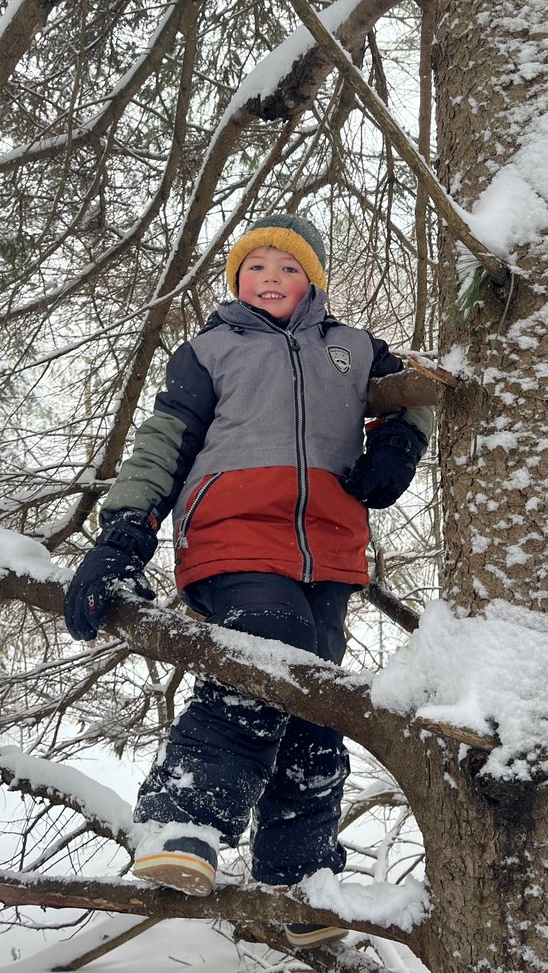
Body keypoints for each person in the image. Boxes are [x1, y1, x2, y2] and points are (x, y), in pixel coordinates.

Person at [63, 214, 432, 949]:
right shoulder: (208, 350)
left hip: (327, 550)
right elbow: (163, 439)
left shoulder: (353, 348)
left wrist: (396, 446)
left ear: (312, 282)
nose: (269, 277)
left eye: (287, 268)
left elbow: (419, 391)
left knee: (317, 700)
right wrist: (124, 532)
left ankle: (298, 882)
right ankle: (184, 821)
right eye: (254, 266)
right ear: (236, 282)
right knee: (268, 648)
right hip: (230, 533)